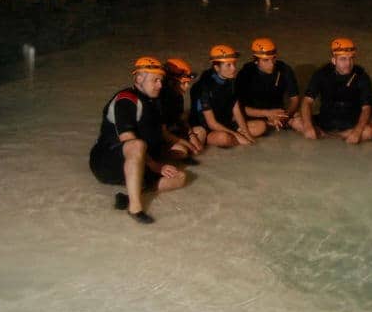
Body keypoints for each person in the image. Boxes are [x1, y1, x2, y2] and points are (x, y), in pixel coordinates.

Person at [89, 56, 187, 224]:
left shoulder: (154, 101)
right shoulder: (126, 99)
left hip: (137, 162)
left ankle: (128, 197)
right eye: (155, 80)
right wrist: (156, 166)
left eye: (161, 80)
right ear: (139, 78)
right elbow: (129, 140)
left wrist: (182, 143)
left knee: (180, 177)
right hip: (108, 162)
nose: (160, 85)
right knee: (137, 144)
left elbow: (158, 132)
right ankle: (135, 209)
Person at [296, 37, 372, 144]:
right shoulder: (322, 74)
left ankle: (329, 137)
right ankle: (333, 137)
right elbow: (307, 101)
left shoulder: (362, 76)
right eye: (343, 59)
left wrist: (357, 131)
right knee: (296, 121)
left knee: (368, 132)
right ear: (334, 60)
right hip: (325, 123)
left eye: (351, 58)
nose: (348, 63)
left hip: (350, 125)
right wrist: (309, 127)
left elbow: (366, 108)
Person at [189, 44, 266, 147]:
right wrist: (237, 136)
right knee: (224, 139)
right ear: (216, 67)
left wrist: (247, 134)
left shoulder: (231, 81)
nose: (234, 68)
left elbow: (236, 110)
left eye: (234, 63)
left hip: (225, 123)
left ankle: (234, 138)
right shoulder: (204, 86)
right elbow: (211, 123)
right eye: (228, 65)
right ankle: (220, 139)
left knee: (261, 126)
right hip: (208, 128)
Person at [235, 37, 299, 132]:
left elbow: (295, 99)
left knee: (300, 120)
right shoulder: (246, 73)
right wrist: (267, 114)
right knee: (260, 127)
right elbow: (238, 108)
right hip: (255, 115)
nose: (271, 64)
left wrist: (285, 116)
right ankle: (269, 125)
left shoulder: (284, 69)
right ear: (256, 61)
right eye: (266, 60)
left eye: (273, 59)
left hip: (278, 114)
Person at [159, 58, 205, 160]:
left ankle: (189, 151)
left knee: (200, 131)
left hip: (171, 132)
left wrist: (192, 136)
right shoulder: (159, 99)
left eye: (188, 82)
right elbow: (163, 133)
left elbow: (180, 120)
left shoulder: (177, 96)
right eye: (184, 83)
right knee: (182, 151)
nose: (187, 86)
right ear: (171, 82)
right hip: (161, 137)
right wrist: (189, 145)